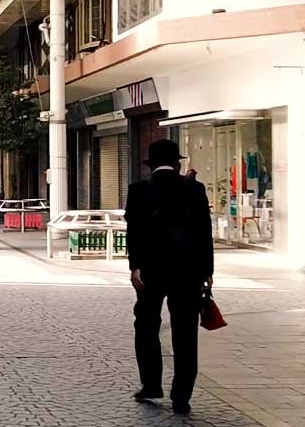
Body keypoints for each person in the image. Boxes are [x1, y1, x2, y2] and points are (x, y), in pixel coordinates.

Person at [125, 139, 214, 415]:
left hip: (151, 269)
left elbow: (134, 231)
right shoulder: (195, 188)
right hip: (188, 271)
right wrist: (207, 271)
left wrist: (135, 266)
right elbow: (204, 231)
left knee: (147, 325)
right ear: (178, 163)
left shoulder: (138, 189)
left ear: (151, 164)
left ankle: (151, 384)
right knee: (185, 332)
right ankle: (181, 396)